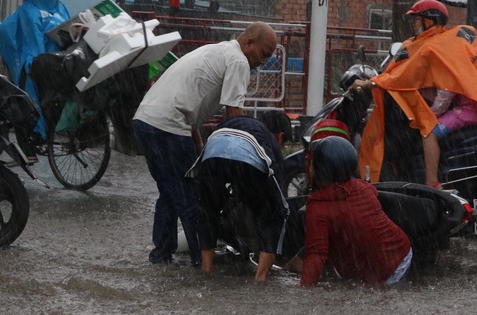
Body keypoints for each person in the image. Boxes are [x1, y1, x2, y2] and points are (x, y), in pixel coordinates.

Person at [131, 22, 278, 266]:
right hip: (168, 126)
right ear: (248, 43)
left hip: (145, 121)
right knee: (192, 195)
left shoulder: (219, 51)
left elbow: (191, 109)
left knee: (169, 192)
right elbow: (235, 115)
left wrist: (201, 147)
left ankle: (161, 255)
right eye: (264, 54)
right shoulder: (239, 61)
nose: (263, 62)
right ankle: (202, 262)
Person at [350, 0, 477, 188]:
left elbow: (409, 79)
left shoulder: (435, 47)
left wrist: (431, 114)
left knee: (429, 132)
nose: (413, 25)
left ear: (427, 21)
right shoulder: (453, 40)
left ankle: (431, 182)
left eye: (416, 20)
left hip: (467, 108)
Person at [187, 111, 291, 282]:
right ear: (280, 137)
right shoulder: (269, 142)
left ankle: (207, 270)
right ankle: (261, 278)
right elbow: (276, 195)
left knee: (207, 209)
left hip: (212, 152)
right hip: (248, 156)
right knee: (279, 213)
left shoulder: (239, 123)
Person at [0, 0, 71, 155]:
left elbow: (8, 31)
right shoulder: (61, 8)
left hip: (37, 63)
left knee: (23, 96)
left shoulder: (27, 9)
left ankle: (34, 135)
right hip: (60, 62)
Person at [300, 137, 412, 287]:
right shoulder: (363, 187)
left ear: (318, 170)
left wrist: (305, 289)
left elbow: (317, 254)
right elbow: (372, 195)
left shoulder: (317, 208)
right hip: (400, 255)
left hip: (374, 271)